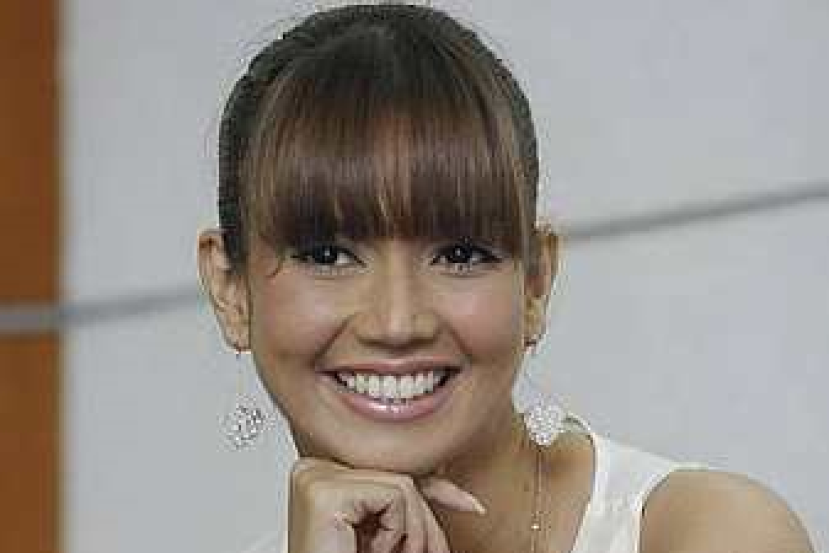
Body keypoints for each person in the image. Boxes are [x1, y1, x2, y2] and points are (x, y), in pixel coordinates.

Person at [197, 4, 814, 553]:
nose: (397, 322)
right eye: (328, 255)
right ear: (230, 290)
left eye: (460, 254)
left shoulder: (709, 533)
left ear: (536, 282)